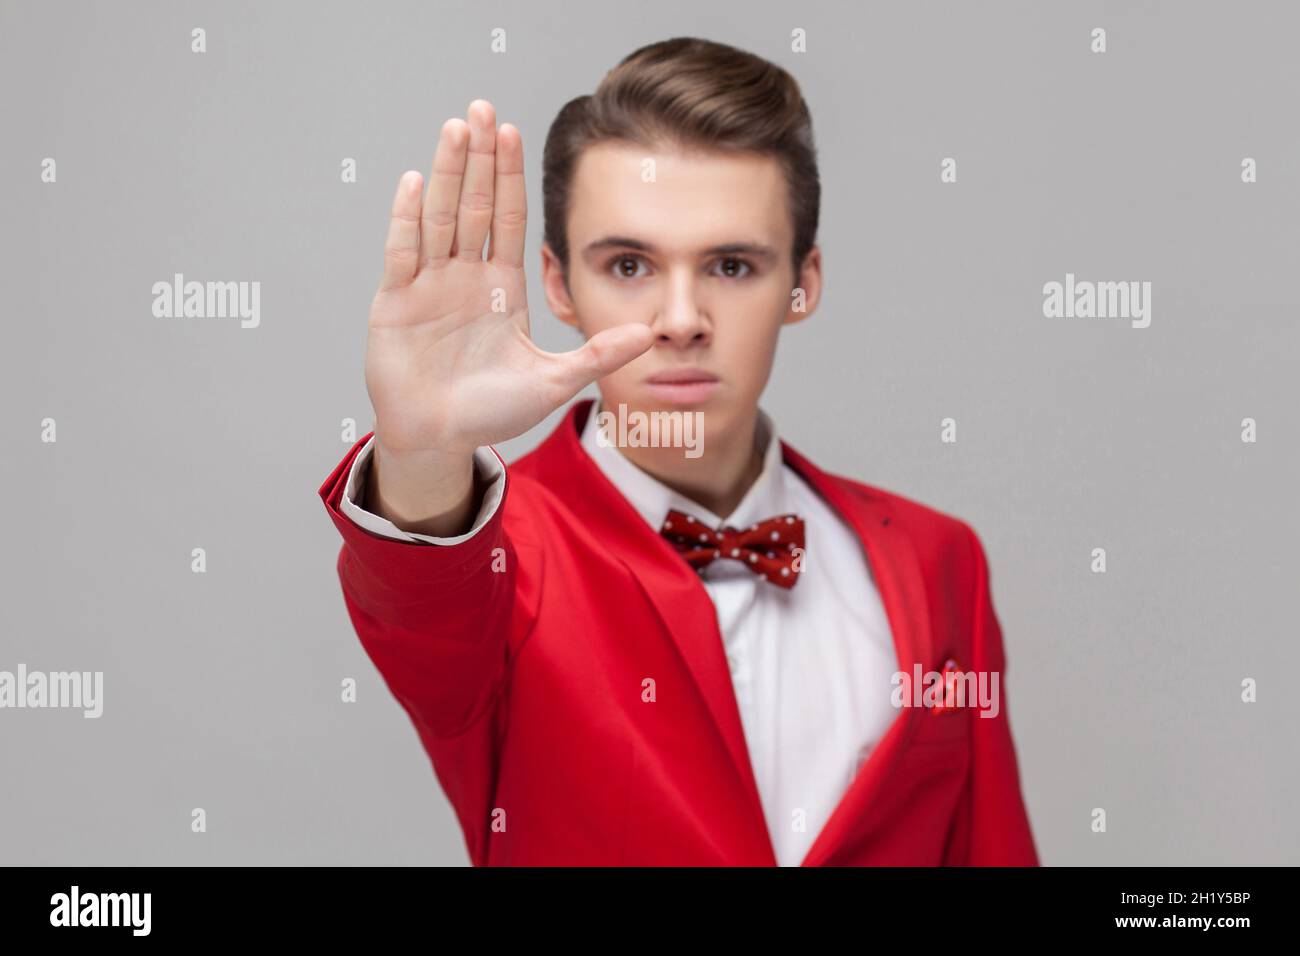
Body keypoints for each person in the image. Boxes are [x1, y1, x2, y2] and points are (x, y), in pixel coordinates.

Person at [318, 36, 1038, 866]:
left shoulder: (937, 561)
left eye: (732, 265)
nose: (683, 317)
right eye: (629, 264)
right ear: (557, 285)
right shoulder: (498, 559)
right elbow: (421, 599)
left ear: (803, 283)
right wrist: (423, 453)